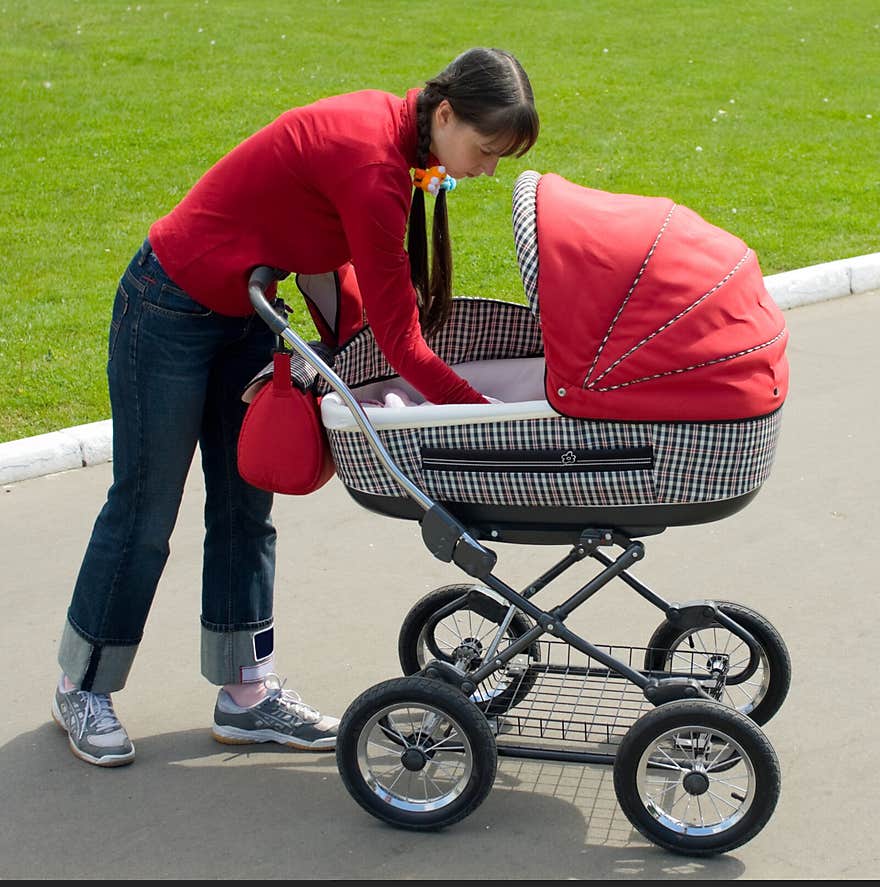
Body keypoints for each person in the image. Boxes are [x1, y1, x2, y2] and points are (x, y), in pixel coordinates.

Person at [51, 47, 540, 767]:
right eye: (485, 150)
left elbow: (331, 268)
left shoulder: (397, 138)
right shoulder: (375, 164)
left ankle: (245, 694)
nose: (486, 170)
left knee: (247, 503)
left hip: (246, 311)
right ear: (444, 115)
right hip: (169, 305)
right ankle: (82, 685)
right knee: (145, 510)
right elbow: (402, 342)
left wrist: (346, 357)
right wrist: (477, 411)